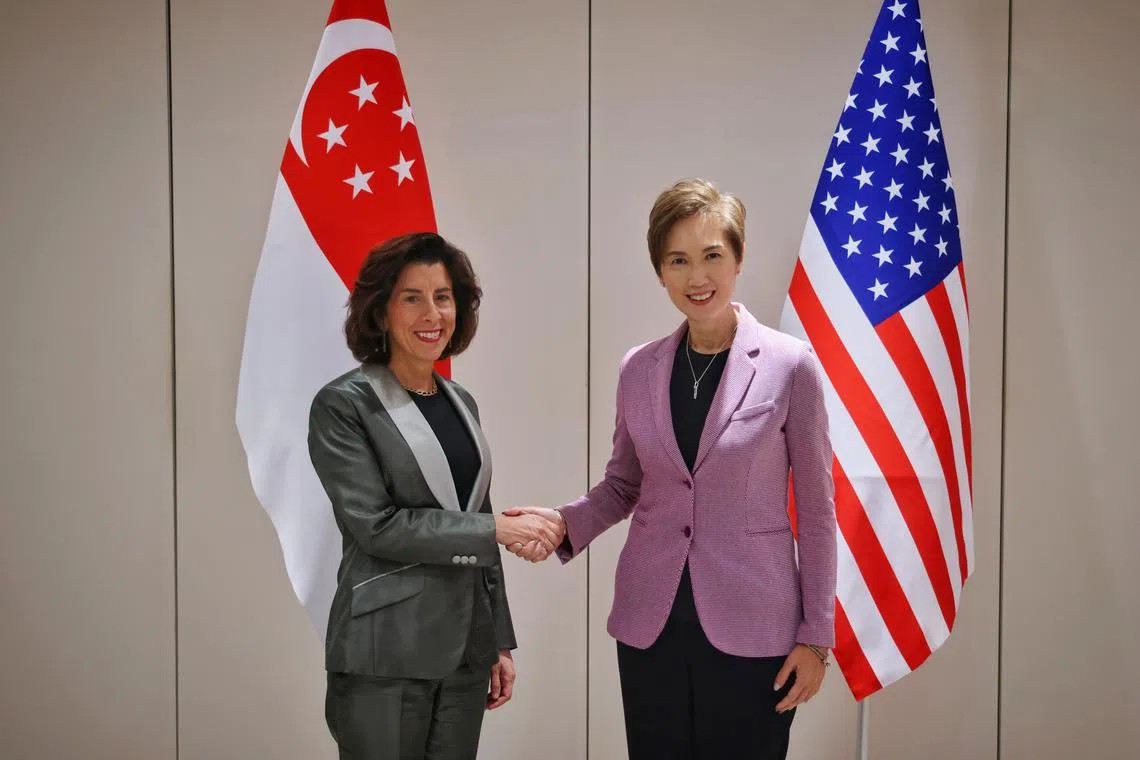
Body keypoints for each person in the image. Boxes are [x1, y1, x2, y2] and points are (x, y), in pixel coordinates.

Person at [507, 179, 837, 759]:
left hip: (754, 624)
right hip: (650, 623)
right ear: (660, 271)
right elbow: (623, 485)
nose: (697, 277)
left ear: (738, 259)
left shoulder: (791, 366)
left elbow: (815, 509)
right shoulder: (639, 368)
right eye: (677, 260)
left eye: (712, 255)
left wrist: (817, 637)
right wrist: (563, 524)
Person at [307, 232, 561, 760]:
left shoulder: (459, 400)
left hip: (466, 655)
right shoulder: (343, 405)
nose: (432, 313)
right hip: (385, 654)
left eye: (443, 297)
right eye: (412, 297)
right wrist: (496, 531)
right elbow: (376, 526)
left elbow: (478, 514)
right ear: (381, 312)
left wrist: (496, 639)